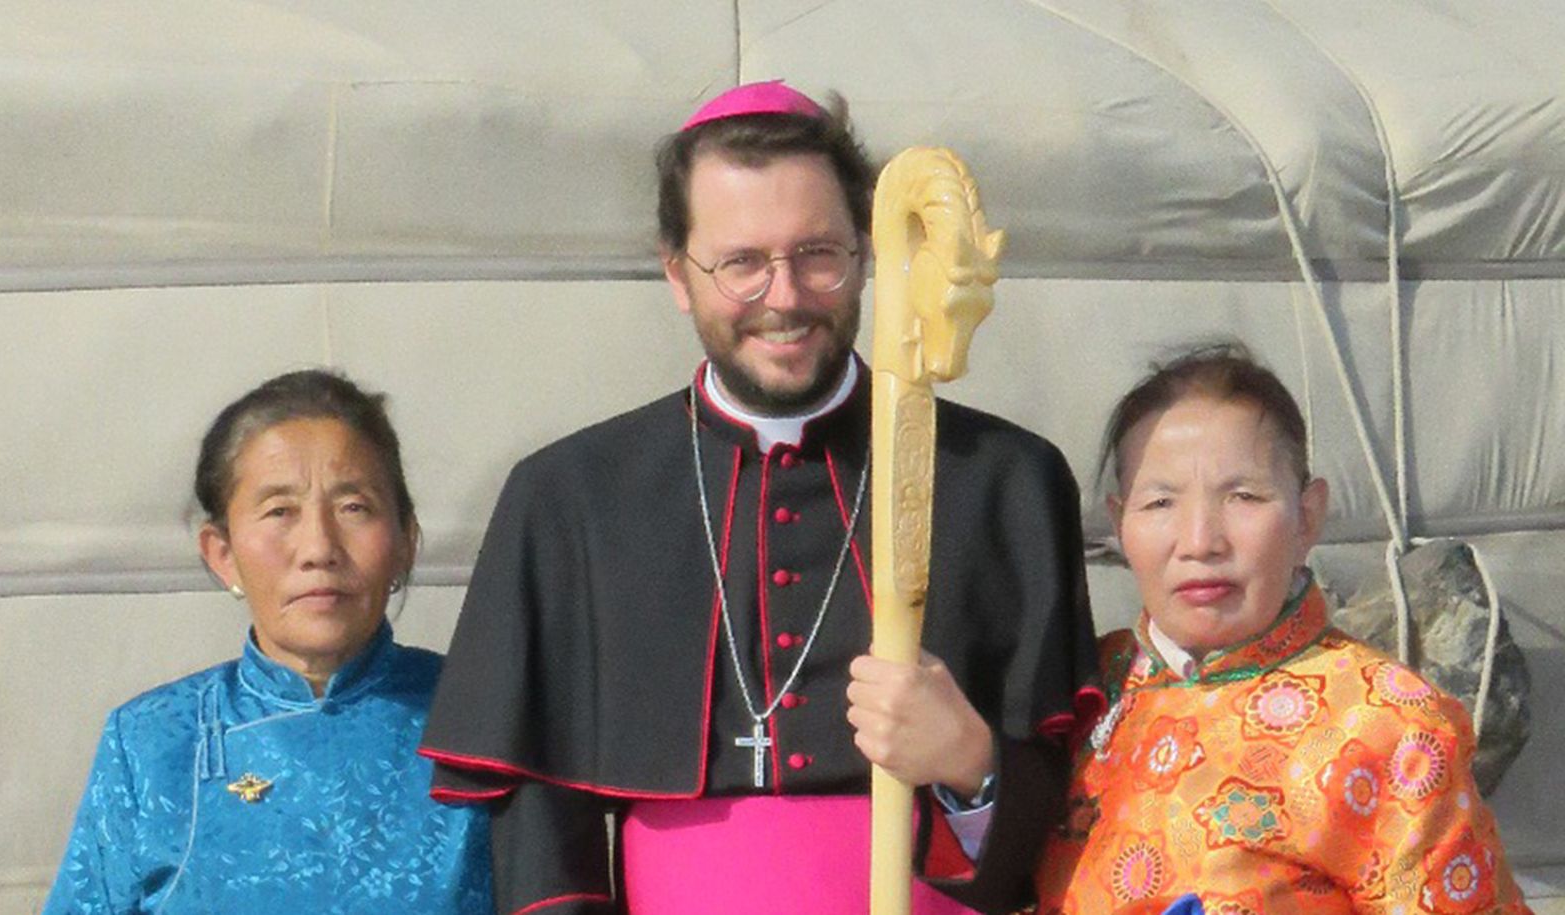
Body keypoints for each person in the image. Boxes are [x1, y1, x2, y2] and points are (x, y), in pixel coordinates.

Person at [419, 80, 1100, 915]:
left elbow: (1057, 809)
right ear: (679, 274)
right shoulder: (569, 497)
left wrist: (972, 764)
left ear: (864, 253)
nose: (784, 298)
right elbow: (540, 826)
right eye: (742, 262)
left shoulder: (999, 479)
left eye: (818, 254)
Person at [1027, 343, 1531, 914]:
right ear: (1121, 524)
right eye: (1160, 502)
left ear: (1307, 517)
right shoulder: (1082, 691)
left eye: (1243, 497)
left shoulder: (1389, 724)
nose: (1199, 542)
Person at [43, 369, 493, 914]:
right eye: (280, 511)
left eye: (354, 507)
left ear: (405, 541)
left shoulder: (482, 724)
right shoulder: (152, 742)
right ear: (221, 553)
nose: (318, 548)